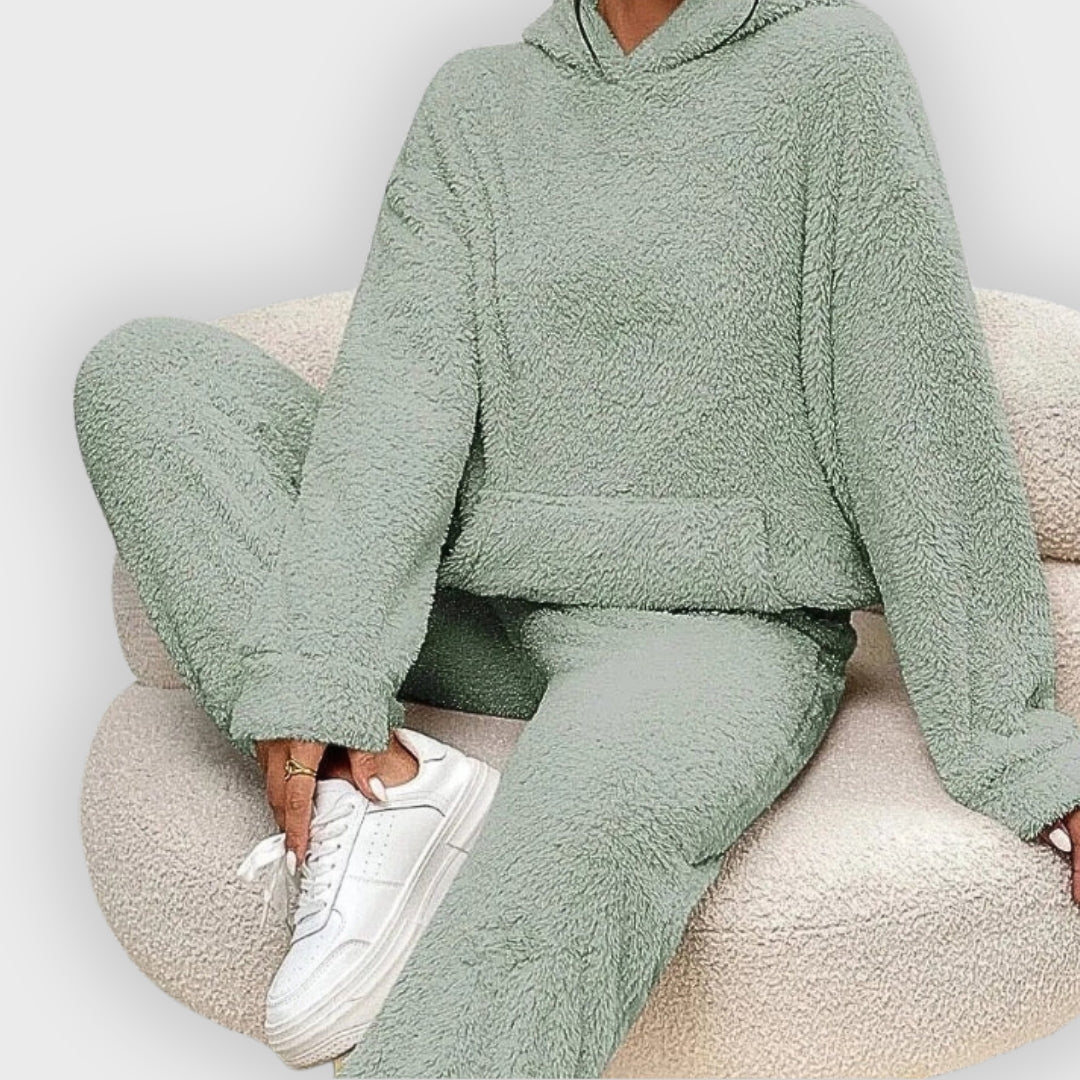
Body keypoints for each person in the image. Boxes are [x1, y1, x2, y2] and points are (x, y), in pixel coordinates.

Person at [72, 0, 1080, 1076]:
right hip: (474, 603)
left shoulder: (833, 71)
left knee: (567, 862)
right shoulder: (478, 101)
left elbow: (915, 403)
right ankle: (379, 790)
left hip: (708, 634)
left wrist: (1018, 747)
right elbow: (396, 401)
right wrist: (321, 681)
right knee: (146, 378)